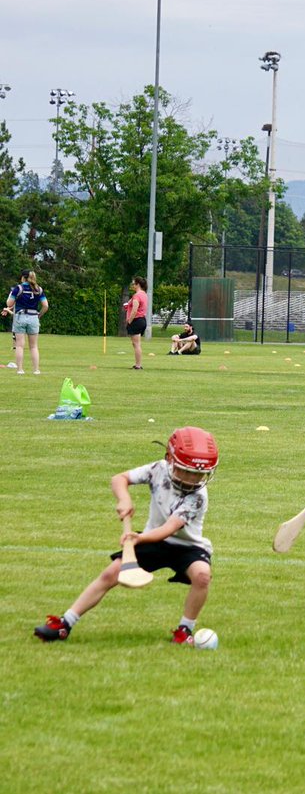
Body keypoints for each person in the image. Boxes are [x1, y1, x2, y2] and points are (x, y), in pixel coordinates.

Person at [33, 427, 220, 645]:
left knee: (202, 576)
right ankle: (65, 624)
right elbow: (119, 478)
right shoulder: (157, 470)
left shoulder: (198, 495)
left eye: (199, 474)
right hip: (153, 539)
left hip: (186, 545)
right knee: (110, 574)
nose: (192, 479)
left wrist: (138, 538)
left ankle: (184, 630)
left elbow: (169, 528)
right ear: (169, 458)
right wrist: (124, 499)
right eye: (185, 471)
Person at [2, 269, 48, 375]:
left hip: (20, 316)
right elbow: (45, 306)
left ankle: (20, 370)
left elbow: (9, 303)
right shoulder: (38, 289)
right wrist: (39, 315)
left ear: (23, 277)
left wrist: (11, 294)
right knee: (34, 346)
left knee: (19, 345)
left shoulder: (19, 288)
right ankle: (36, 370)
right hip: (33, 317)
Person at [124, 276, 148, 370]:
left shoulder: (137, 295)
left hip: (136, 320)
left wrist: (129, 321)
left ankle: (138, 365)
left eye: (134, 284)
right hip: (142, 320)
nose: (133, 285)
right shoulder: (144, 294)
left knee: (136, 344)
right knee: (136, 344)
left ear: (138, 284)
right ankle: (138, 364)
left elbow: (134, 310)